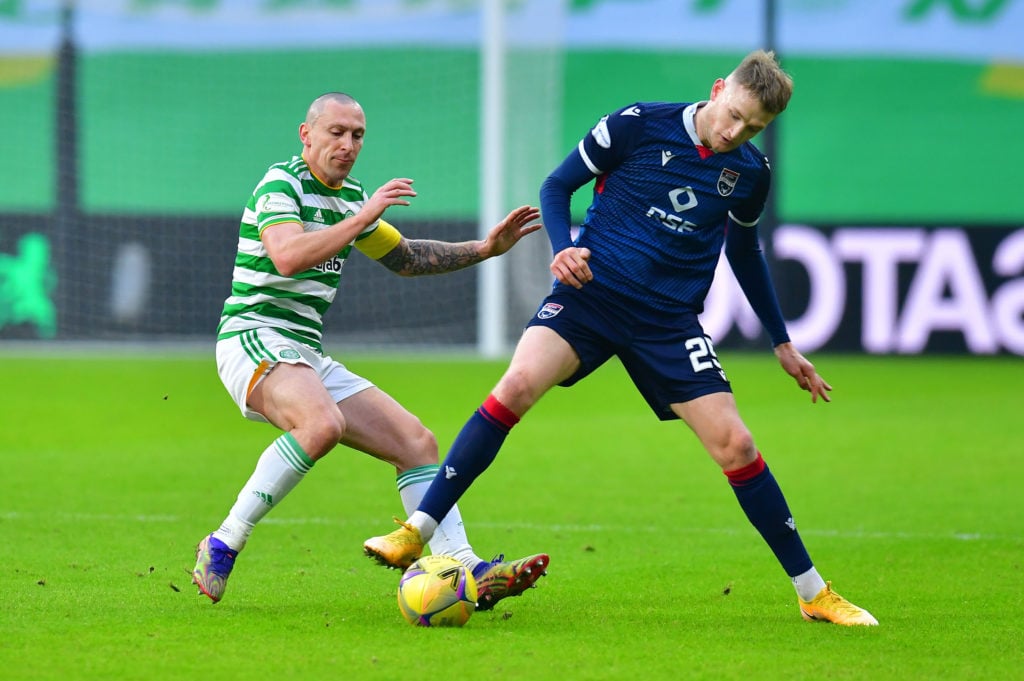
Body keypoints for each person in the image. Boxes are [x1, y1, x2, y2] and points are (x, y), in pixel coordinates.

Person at [364, 51, 878, 626]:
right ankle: (418, 529)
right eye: (733, 114)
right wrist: (562, 247)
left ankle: (812, 594)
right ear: (717, 89)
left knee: (737, 446)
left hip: (667, 320)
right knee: (517, 385)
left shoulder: (750, 173)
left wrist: (781, 341)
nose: (736, 132)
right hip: (592, 294)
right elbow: (557, 186)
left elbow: (744, 251)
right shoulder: (637, 124)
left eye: (754, 127)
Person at [192, 91, 549, 608]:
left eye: (357, 135)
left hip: (303, 350)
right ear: (306, 134)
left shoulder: (352, 196)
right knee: (321, 425)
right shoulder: (282, 184)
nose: (347, 144)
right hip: (253, 334)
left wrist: (485, 249)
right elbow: (287, 256)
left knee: (416, 443)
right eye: (336, 132)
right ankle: (224, 541)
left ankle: (466, 571)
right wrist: (362, 218)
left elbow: (405, 258)